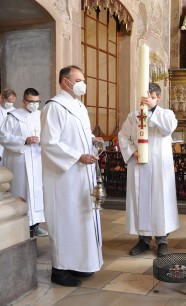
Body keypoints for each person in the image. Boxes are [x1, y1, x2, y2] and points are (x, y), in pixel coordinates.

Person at [41, 65, 103, 287]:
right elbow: (49, 143)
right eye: (78, 80)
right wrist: (78, 156)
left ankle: (79, 263)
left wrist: (92, 139)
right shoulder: (54, 107)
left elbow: (81, 134)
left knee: (81, 219)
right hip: (64, 178)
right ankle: (60, 269)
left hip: (81, 175)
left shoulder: (78, 106)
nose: (82, 84)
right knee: (65, 220)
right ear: (65, 82)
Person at [118, 83, 179, 257]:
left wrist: (153, 109)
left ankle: (162, 241)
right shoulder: (134, 115)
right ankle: (143, 240)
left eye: (152, 96)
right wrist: (132, 151)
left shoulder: (167, 114)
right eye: (146, 95)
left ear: (158, 98)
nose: (148, 98)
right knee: (141, 200)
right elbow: (123, 136)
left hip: (160, 166)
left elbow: (167, 129)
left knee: (161, 201)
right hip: (140, 165)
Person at [0, 88, 47, 237]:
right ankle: (23, 224)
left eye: (37, 102)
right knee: (23, 191)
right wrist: (24, 140)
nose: (34, 104)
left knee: (37, 194)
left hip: (38, 159)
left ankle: (36, 225)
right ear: (24, 101)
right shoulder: (13, 116)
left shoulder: (41, 116)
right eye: (31, 102)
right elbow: (3, 136)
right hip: (21, 161)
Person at [0, 89, 17, 166]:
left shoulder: (15, 112)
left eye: (12, 102)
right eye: (9, 102)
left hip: (9, 145)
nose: (11, 104)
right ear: (2, 98)